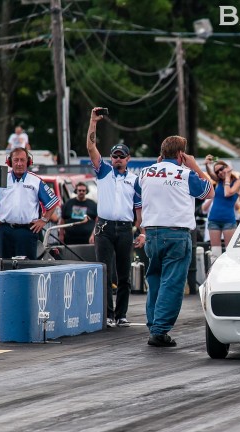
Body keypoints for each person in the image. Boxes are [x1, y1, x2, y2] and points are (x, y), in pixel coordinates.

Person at [134, 135, 213, 347]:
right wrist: (196, 166)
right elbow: (210, 191)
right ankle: (159, 331)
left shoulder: (145, 172)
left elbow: (138, 190)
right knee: (172, 283)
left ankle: (154, 325)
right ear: (181, 155)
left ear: (162, 153)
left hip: (152, 233)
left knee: (156, 280)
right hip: (176, 234)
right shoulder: (187, 174)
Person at [87, 107, 141, 328]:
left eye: (122, 156)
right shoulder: (104, 171)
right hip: (105, 228)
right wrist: (93, 122)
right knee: (105, 272)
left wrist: (142, 231)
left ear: (128, 159)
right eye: (115, 156)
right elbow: (91, 147)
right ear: (111, 158)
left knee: (124, 274)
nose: (118, 159)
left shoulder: (135, 179)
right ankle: (108, 314)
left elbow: (139, 210)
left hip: (125, 228)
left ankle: (122, 314)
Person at [0, 148, 59, 259]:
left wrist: (44, 220)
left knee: (26, 268)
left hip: (27, 231)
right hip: (4, 230)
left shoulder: (36, 181)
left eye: (22, 160)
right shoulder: (2, 178)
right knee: (4, 266)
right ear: (10, 162)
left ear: (28, 162)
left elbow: (53, 202)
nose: (19, 163)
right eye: (16, 160)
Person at [203, 156, 240, 261]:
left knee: (229, 253)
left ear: (227, 167)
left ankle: (229, 275)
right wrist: (207, 164)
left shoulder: (237, 182)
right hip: (214, 219)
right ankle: (214, 275)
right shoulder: (219, 181)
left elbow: (227, 193)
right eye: (217, 171)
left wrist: (228, 176)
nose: (219, 172)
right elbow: (211, 174)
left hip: (228, 221)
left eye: (221, 169)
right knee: (215, 253)